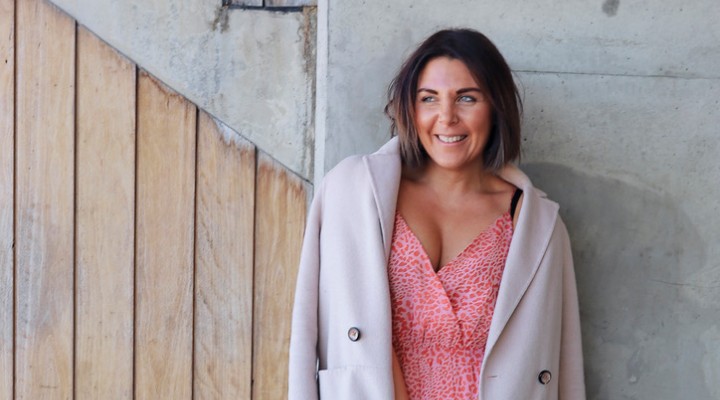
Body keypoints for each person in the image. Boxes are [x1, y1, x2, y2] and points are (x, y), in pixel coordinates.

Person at [288, 28, 585, 400]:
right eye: (429, 98)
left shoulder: (536, 225)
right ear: (410, 108)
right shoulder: (351, 191)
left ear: (495, 107)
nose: (447, 117)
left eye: (466, 98)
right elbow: (306, 336)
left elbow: (564, 366)